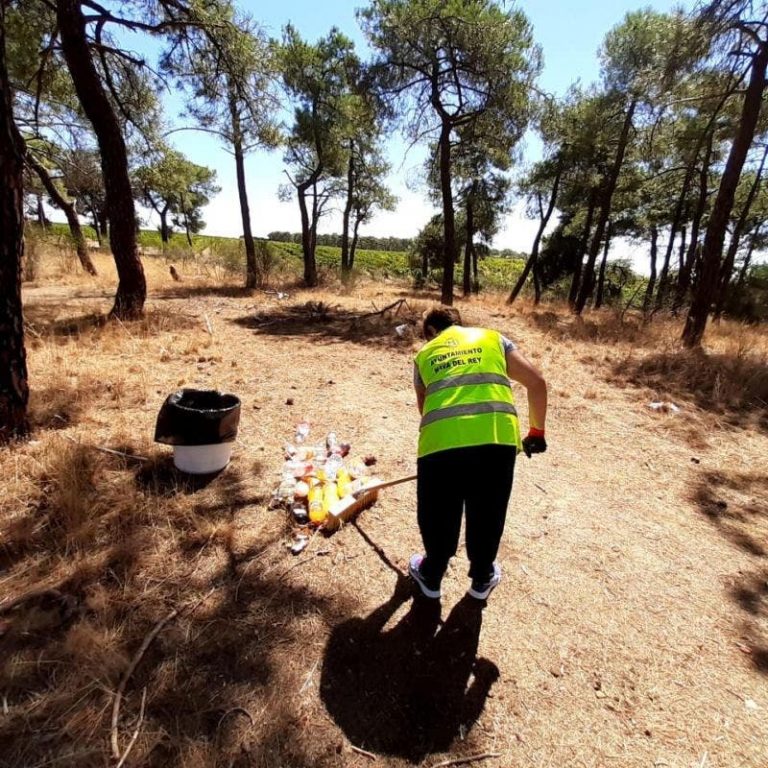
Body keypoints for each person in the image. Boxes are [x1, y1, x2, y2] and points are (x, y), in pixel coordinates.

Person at [409, 306, 548, 601]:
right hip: (495, 440)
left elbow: (425, 408)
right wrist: (536, 433)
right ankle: (482, 577)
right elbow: (536, 383)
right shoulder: (494, 339)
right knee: (488, 510)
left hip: (440, 442)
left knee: (438, 512)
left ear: (432, 332)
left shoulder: (423, 355)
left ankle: (431, 574)